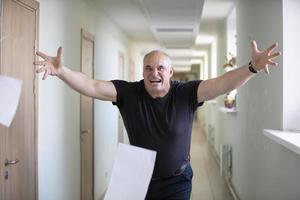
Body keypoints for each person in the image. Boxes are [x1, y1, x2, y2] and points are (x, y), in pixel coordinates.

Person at [34, 40, 281, 199]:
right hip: (136, 178)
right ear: (142, 72)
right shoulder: (129, 93)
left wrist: (252, 68)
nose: (155, 73)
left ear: (170, 72)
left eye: (161, 68)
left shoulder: (186, 93)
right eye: (149, 68)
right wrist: (62, 71)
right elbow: (93, 86)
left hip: (177, 180)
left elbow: (221, 83)